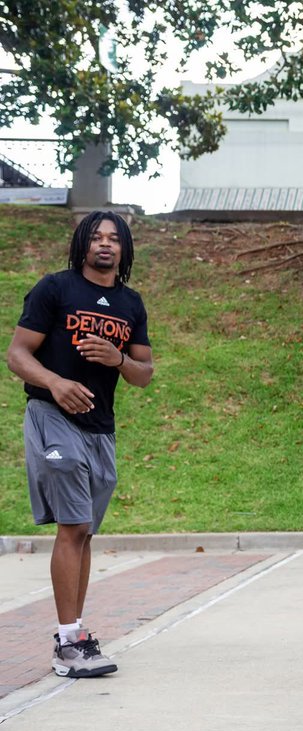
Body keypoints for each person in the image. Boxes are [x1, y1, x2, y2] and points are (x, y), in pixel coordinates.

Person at [6, 210, 154, 678]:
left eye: (114, 239)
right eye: (97, 237)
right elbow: (17, 354)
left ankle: (76, 633)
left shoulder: (131, 303)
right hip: (53, 418)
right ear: (83, 245)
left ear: (124, 249)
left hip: (101, 429)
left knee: (84, 529)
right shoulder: (56, 289)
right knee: (73, 525)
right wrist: (55, 383)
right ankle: (68, 643)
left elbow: (144, 374)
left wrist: (118, 360)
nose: (105, 244)